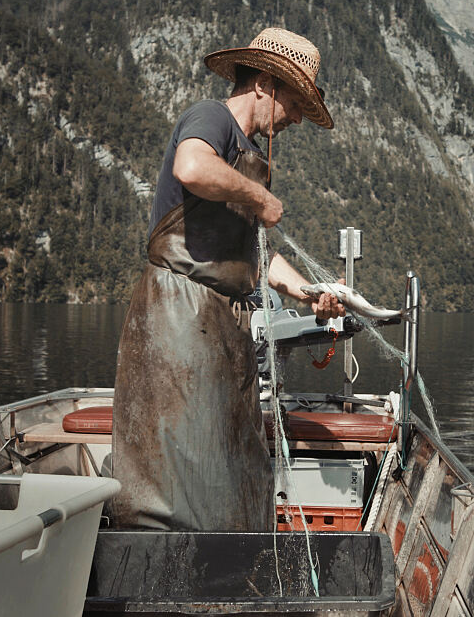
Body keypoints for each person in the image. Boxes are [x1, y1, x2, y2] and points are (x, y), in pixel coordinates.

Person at [111, 28, 345, 531]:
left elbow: (253, 262)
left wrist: (309, 294)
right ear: (264, 83)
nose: (299, 118)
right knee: (179, 474)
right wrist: (259, 199)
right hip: (180, 320)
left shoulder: (245, 154)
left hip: (219, 327)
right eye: (296, 102)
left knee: (227, 463)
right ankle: (165, 576)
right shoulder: (211, 118)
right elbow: (192, 166)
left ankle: (221, 576)